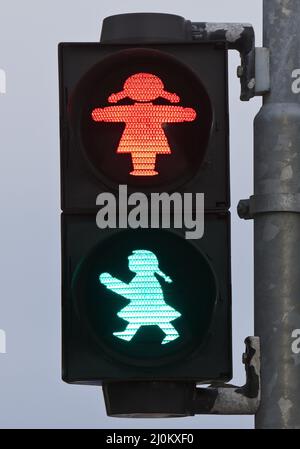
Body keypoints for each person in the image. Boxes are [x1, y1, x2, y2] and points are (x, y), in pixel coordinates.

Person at [92, 73, 197, 176]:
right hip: (152, 139)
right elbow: (181, 114)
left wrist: (101, 113)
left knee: (143, 155)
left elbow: (109, 113)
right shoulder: (157, 111)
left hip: (135, 138)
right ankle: (143, 170)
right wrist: (185, 113)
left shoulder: (130, 111)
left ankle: (144, 170)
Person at [99, 250, 181, 345]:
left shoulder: (145, 279)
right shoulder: (143, 277)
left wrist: (111, 283)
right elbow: (132, 292)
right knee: (141, 318)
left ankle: (172, 333)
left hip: (150, 306)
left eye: (133, 262)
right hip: (145, 305)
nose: (130, 264)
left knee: (150, 318)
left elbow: (131, 293)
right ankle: (128, 334)